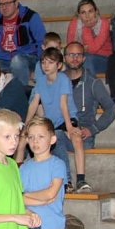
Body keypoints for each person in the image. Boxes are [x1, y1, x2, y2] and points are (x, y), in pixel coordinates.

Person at [20, 48, 85, 191]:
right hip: (51, 123)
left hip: (67, 119)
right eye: (43, 62)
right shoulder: (41, 81)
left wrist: (69, 127)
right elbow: (33, 104)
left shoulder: (63, 79)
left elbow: (63, 105)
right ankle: (64, 181)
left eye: (50, 62)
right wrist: (26, 125)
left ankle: (73, 180)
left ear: (59, 65)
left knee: (63, 136)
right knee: (48, 137)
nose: (46, 66)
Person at [61, 40, 115, 157]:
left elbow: (111, 109)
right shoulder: (58, 81)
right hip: (61, 131)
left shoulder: (93, 83)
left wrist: (92, 129)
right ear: (64, 58)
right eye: (71, 55)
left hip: (82, 134)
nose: (75, 58)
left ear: (84, 59)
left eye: (78, 55)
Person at [0, 0, 46, 86]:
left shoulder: (30, 16)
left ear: (16, 4)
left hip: (27, 57)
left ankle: (21, 95)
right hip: (3, 59)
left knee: (17, 61)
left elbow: (42, 42)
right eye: (1, 5)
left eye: (7, 3)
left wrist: (40, 68)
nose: (4, 7)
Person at [65, 0, 111, 76]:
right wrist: (83, 49)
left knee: (86, 59)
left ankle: (90, 86)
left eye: (90, 11)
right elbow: (71, 48)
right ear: (79, 15)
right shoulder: (74, 24)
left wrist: (86, 28)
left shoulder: (104, 23)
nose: (87, 16)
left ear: (96, 12)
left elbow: (93, 48)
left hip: (104, 59)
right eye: (83, 12)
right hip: (79, 57)